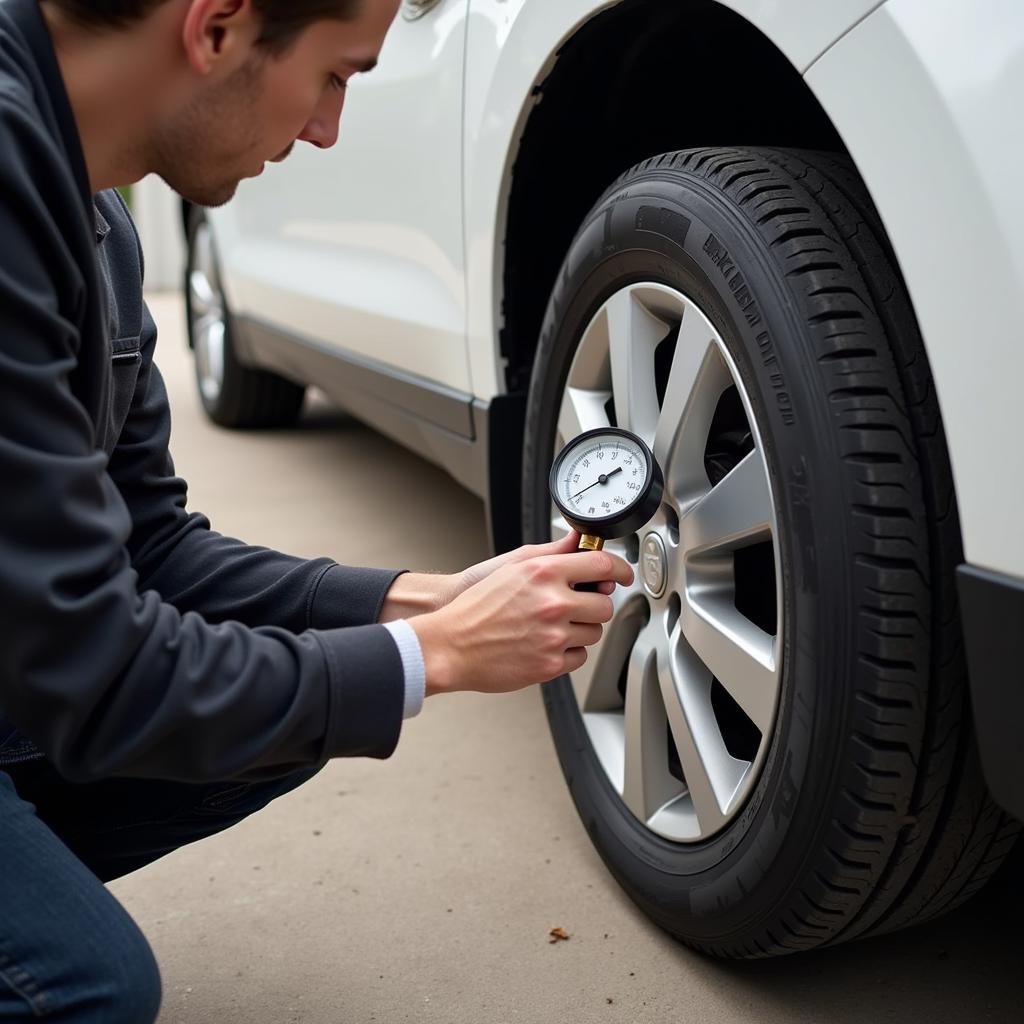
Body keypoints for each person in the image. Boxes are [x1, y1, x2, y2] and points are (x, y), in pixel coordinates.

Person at [0, 0, 634, 1019]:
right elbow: (101, 675)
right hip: (56, 669)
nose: (328, 128)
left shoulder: (96, 218)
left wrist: (418, 602)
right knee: (86, 983)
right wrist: (442, 655)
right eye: (337, 74)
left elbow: (152, 546)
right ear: (216, 28)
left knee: (288, 711)